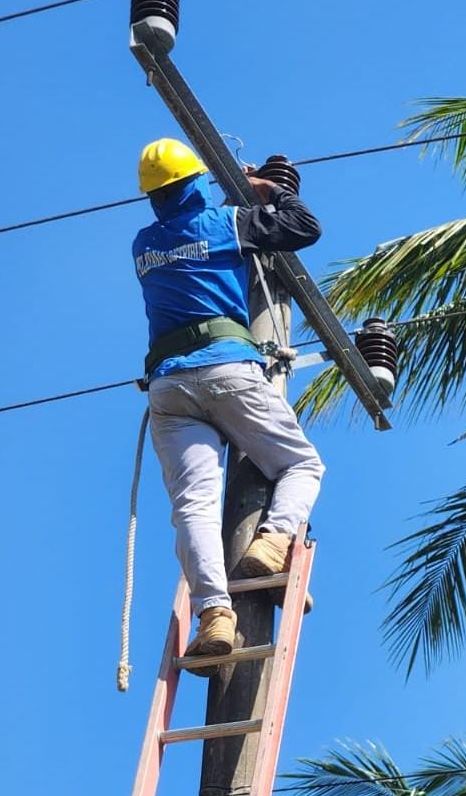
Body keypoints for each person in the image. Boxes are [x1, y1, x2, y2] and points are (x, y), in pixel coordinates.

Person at [133, 137, 325, 662]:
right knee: (301, 464)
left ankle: (215, 613)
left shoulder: (143, 246)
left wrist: (236, 196)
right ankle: (272, 541)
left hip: (169, 390)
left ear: (153, 196)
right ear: (198, 182)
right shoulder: (226, 224)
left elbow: (186, 226)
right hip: (226, 370)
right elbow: (305, 228)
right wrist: (265, 190)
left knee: (193, 507)